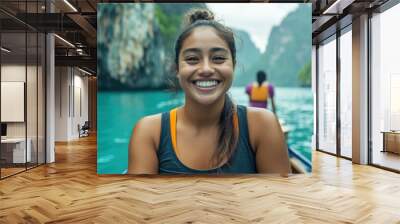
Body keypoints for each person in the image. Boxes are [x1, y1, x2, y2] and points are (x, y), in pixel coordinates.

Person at [128, 9, 290, 174]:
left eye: (218, 58)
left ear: (233, 66)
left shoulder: (262, 126)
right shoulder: (149, 133)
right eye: (192, 59)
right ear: (177, 69)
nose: (206, 69)